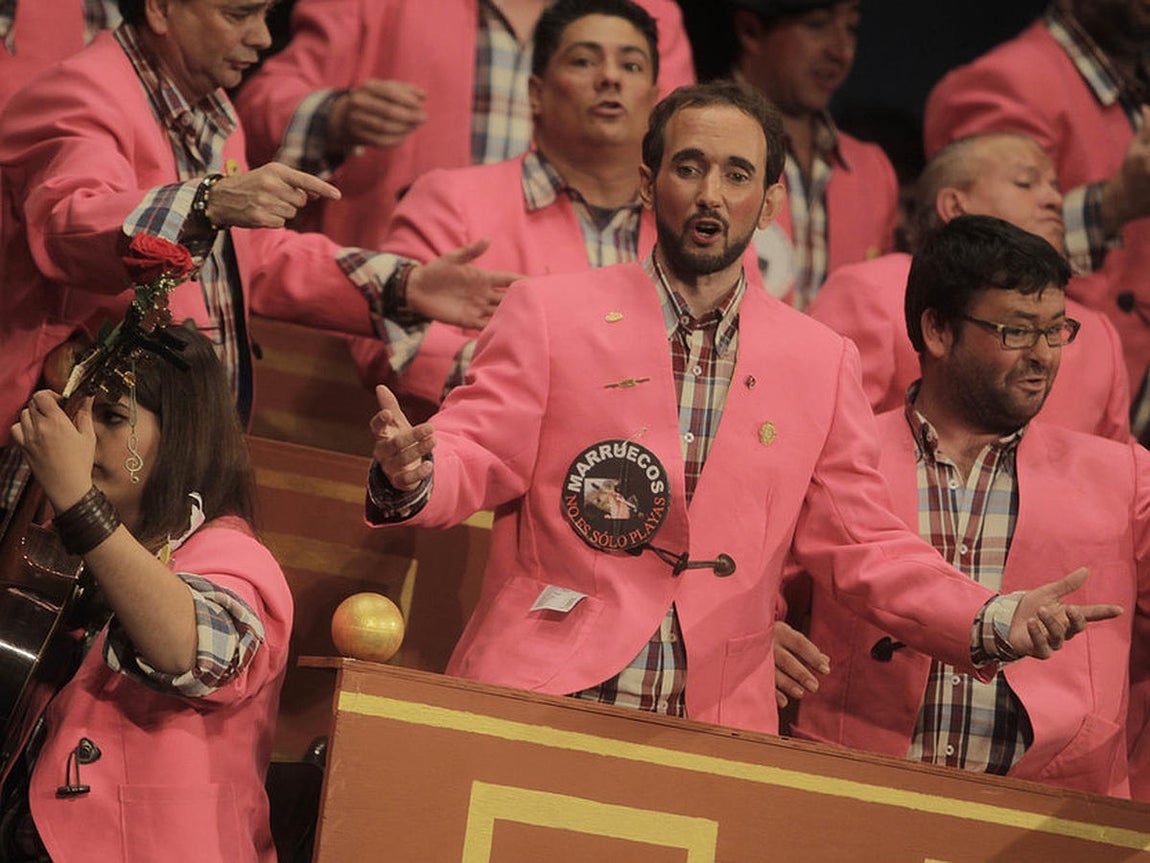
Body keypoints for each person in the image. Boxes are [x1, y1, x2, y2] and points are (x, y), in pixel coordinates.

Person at [361, 81, 1120, 735]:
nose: (711, 194)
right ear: (648, 182)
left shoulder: (820, 360)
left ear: (770, 202)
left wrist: (988, 616)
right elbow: (475, 445)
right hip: (544, 685)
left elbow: (866, 544)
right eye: (689, 167)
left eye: (737, 173)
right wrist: (416, 471)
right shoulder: (551, 314)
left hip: (716, 719)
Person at [0, 0, 513, 516]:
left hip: (162, 459)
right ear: (159, 9)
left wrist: (402, 285)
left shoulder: (208, 107)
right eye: (238, 14)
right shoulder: (79, 93)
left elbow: (253, 256)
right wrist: (206, 202)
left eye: (266, 14)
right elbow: (67, 223)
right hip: (68, 458)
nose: (263, 37)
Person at [776, 215, 1150, 798]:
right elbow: (757, 594)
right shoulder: (839, 454)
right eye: (1017, 331)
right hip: (851, 795)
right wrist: (760, 637)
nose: (1043, 356)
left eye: (1055, 331)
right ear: (938, 331)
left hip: (1053, 816)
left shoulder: (1124, 476)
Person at [3, 322, 292, 861]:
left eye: (113, 417)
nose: (85, 437)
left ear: (181, 436)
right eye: (82, 414)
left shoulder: (234, 555)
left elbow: (193, 654)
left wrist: (78, 501)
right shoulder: (72, 557)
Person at [356, 0, 735, 406]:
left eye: (631, 65)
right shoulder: (450, 200)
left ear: (655, 103)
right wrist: (538, 377)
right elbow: (385, 338)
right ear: (536, 93)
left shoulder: (698, 221)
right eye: (584, 61)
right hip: (493, 440)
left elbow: (749, 354)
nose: (610, 77)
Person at [232, 0, 696, 249]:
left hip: (588, 273)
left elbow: (688, 145)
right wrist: (336, 116)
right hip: (395, 277)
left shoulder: (646, 11)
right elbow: (255, 108)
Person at [808, 131, 1131, 441]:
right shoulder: (871, 290)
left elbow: (1118, 467)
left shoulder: (1097, 334)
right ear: (955, 206)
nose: (1055, 199)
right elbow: (824, 437)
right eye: (1025, 183)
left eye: (1054, 186)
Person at [924, 0, 1150, 404]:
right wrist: (1114, 204)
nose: (1047, 196)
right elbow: (982, 247)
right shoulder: (1007, 80)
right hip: (1047, 382)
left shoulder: (1135, 84)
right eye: (1028, 182)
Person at [727, 0, 898, 308]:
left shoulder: (871, 170)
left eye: (851, 28)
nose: (841, 51)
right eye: (817, 25)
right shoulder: (693, 145)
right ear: (750, 31)